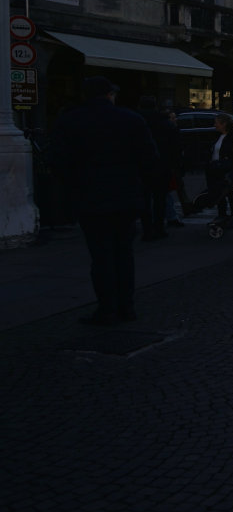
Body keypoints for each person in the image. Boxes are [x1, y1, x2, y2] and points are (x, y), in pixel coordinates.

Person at [50, 76, 160, 325]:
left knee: (101, 255)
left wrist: (74, 186)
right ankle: (126, 307)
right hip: (125, 196)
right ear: (110, 95)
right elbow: (150, 159)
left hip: (90, 197)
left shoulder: (70, 121)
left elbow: (58, 161)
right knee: (124, 253)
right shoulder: (131, 119)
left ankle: (107, 308)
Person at [136, 95, 181, 241]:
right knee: (160, 199)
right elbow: (175, 146)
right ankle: (159, 228)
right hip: (162, 165)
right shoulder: (165, 123)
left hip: (141, 166)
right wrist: (175, 164)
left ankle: (147, 229)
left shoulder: (136, 121)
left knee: (144, 199)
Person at [206, 114, 233, 223]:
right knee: (219, 194)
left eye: (217, 123)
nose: (215, 125)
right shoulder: (218, 136)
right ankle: (222, 215)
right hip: (217, 169)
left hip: (228, 170)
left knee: (232, 195)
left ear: (224, 124)